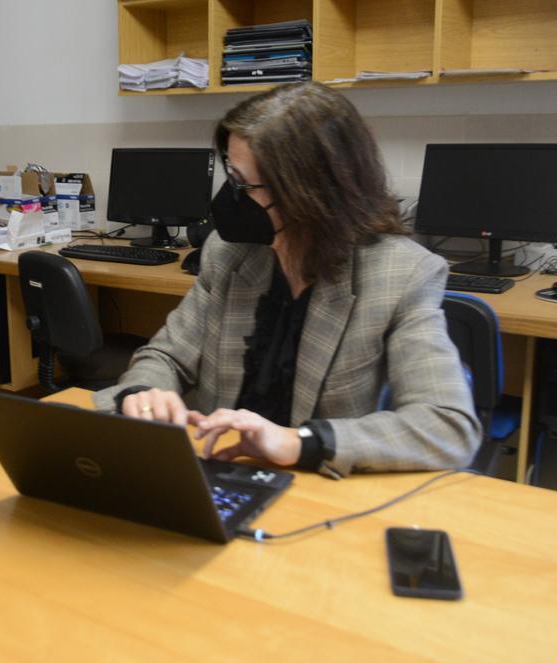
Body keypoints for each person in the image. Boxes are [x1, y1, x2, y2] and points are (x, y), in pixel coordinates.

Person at [95, 83, 482, 477]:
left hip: (313, 483)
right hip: (217, 468)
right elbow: (165, 357)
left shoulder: (400, 274)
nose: (232, 198)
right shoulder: (229, 254)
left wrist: (297, 442)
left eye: (246, 184)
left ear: (308, 193)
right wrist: (143, 394)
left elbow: (447, 426)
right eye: (231, 175)